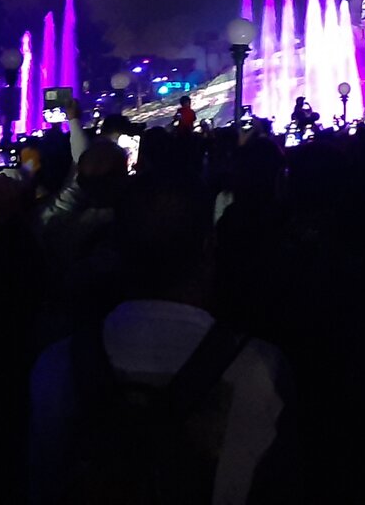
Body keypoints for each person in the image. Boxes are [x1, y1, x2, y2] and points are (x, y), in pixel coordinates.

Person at [29, 174, 289, 505]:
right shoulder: (261, 369)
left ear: (117, 249)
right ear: (209, 246)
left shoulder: (57, 365)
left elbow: (42, 483)